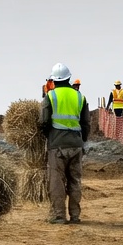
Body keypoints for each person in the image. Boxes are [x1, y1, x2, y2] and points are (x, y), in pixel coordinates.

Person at [40, 62, 91, 224]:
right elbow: (86, 124)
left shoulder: (51, 96)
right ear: (69, 78)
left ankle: (59, 216)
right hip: (76, 145)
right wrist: (81, 140)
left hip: (57, 146)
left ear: (53, 80)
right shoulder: (80, 97)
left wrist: (47, 136)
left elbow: (43, 122)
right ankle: (75, 216)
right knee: (75, 181)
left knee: (57, 181)